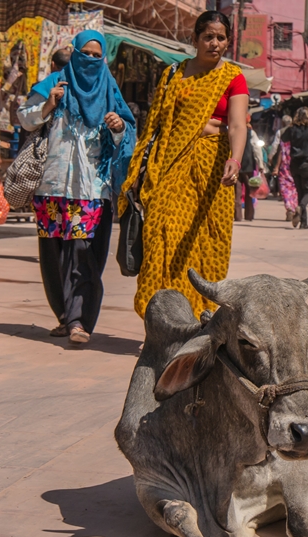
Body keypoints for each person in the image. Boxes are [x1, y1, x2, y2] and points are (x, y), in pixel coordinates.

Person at [118, 11, 248, 318]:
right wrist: (139, 170)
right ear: (194, 40)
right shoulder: (173, 74)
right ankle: (164, 315)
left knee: (203, 240)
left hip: (211, 170)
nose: (215, 43)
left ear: (227, 41)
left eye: (221, 38)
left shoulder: (232, 77)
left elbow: (238, 125)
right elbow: (156, 126)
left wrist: (235, 158)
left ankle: (198, 312)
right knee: (161, 236)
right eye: (208, 37)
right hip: (170, 166)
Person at [17, 32, 135, 344]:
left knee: (84, 255)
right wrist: (47, 105)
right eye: (86, 53)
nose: (92, 60)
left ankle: (79, 320)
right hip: (52, 185)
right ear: (75, 53)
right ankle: (64, 315)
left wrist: (120, 128)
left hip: (93, 187)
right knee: (53, 256)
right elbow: (24, 118)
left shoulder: (110, 89)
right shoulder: (55, 84)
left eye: (98, 55)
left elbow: (129, 129)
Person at [270, 115, 298, 221]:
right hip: (296, 165)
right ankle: (295, 208)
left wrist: (272, 160)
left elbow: (277, 148)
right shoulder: (298, 134)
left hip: (284, 166)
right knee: (294, 189)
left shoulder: (281, 133)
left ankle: (289, 209)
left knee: (285, 189)